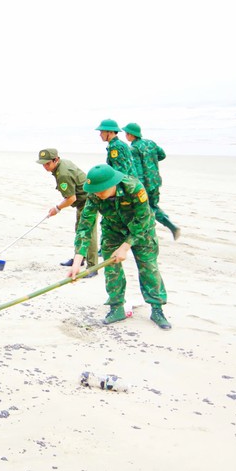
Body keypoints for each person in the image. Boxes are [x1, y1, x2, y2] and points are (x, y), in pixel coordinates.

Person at [69, 164, 171, 330]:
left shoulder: (134, 188)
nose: (98, 195)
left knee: (148, 267)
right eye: (95, 191)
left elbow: (143, 220)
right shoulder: (95, 194)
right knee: (111, 268)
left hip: (141, 230)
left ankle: (157, 309)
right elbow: (85, 226)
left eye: (101, 191)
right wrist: (78, 259)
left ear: (112, 184)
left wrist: (126, 246)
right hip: (113, 229)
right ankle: (116, 307)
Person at [36, 148, 99, 276]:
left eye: (48, 163)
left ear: (56, 160)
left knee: (88, 233)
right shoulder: (61, 165)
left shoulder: (63, 174)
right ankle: (79, 259)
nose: (45, 167)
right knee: (79, 229)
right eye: (43, 164)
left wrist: (57, 208)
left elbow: (71, 198)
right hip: (82, 201)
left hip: (89, 201)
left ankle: (93, 267)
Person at [123, 122, 180, 240]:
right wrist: (151, 161)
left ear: (130, 134)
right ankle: (171, 225)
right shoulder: (151, 143)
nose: (125, 135)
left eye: (126, 133)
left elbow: (136, 170)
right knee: (153, 206)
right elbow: (162, 155)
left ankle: (144, 234)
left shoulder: (133, 149)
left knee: (142, 209)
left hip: (145, 185)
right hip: (155, 181)